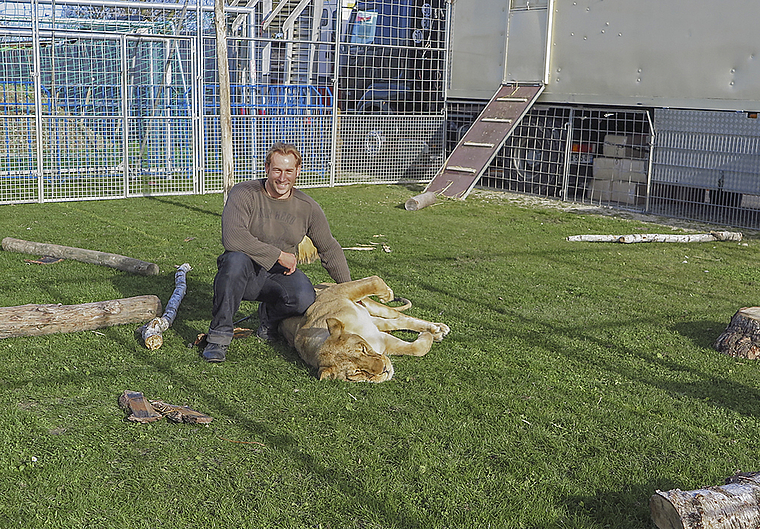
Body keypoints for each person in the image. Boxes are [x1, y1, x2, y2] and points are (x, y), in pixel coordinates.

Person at [202, 142, 351, 363]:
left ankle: (269, 319)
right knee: (234, 261)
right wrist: (278, 255)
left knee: (304, 296)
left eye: (289, 171)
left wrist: (350, 288)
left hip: (278, 275)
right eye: (277, 170)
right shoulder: (245, 193)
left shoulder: (307, 207)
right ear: (267, 169)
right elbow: (232, 238)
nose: (283, 178)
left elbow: (328, 247)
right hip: (244, 272)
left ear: (298, 171)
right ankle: (219, 337)